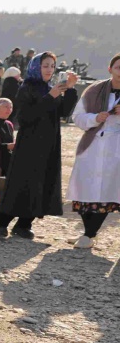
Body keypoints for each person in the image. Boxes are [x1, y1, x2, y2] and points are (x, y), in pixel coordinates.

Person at [0, 52, 78, 239]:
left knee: (41, 182)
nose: (49, 70)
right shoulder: (27, 87)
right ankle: (1, 222)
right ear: (36, 67)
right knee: (21, 182)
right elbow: (25, 117)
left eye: (52, 66)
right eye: (45, 65)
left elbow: (64, 112)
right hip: (29, 144)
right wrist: (50, 96)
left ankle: (24, 224)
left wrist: (70, 89)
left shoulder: (51, 88)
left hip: (49, 143)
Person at [65, 54, 120, 249]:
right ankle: (87, 233)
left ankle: (89, 235)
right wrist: (95, 118)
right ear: (110, 69)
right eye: (118, 68)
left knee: (107, 192)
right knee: (83, 189)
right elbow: (77, 117)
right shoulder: (94, 90)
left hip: (116, 148)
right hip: (92, 145)